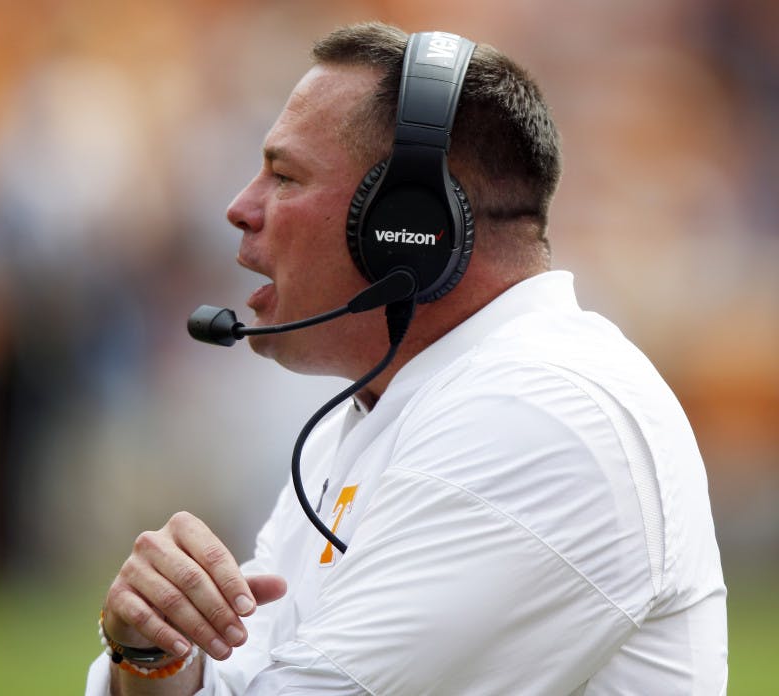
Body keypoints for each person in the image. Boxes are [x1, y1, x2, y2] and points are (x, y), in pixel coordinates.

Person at [86, 21, 727, 695]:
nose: (240, 208)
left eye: (285, 176)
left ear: (407, 228)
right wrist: (154, 655)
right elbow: (242, 681)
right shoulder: (374, 417)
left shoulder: (545, 417)